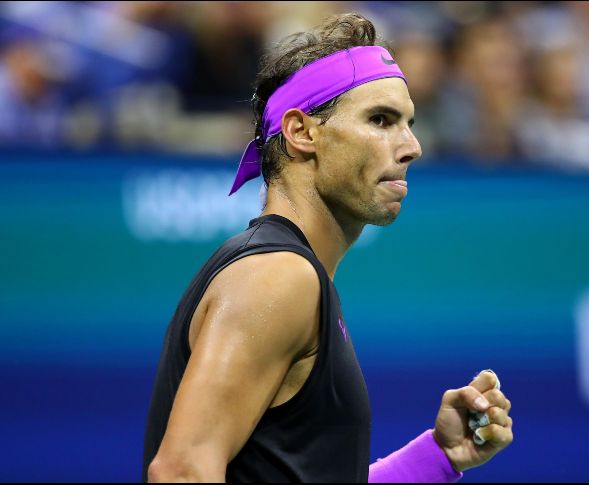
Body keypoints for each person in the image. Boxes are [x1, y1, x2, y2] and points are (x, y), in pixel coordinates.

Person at [142, 13, 513, 482]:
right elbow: (181, 473)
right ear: (302, 132)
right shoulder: (278, 277)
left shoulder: (293, 276)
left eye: (409, 123)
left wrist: (441, 456)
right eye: (380, 120)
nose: (412, 146)